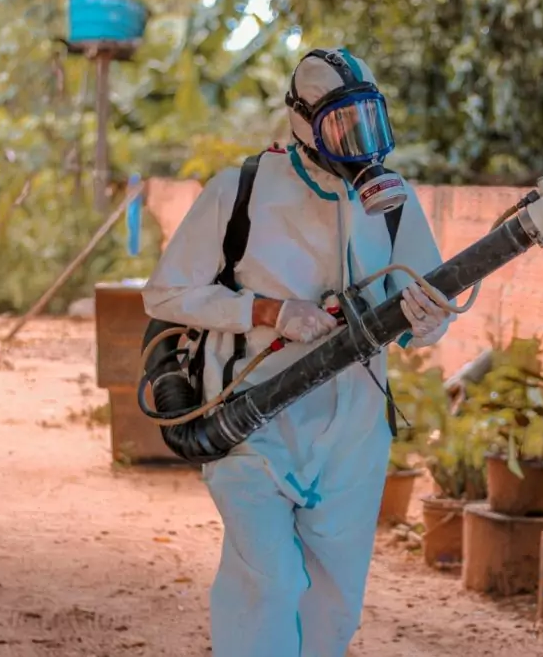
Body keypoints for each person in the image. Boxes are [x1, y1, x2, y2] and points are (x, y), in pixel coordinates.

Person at [142, 47, 453, 657]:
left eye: (368, 121)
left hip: (355, 433)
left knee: (335, 603)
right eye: (342, 124)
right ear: (302, 120)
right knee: (267, 585)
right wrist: (265, 311)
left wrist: (426, 317)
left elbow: (427, 315)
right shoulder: (243, 192)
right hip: (253, 422)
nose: (358, 142)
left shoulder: (393, 205)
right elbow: (166, 292)